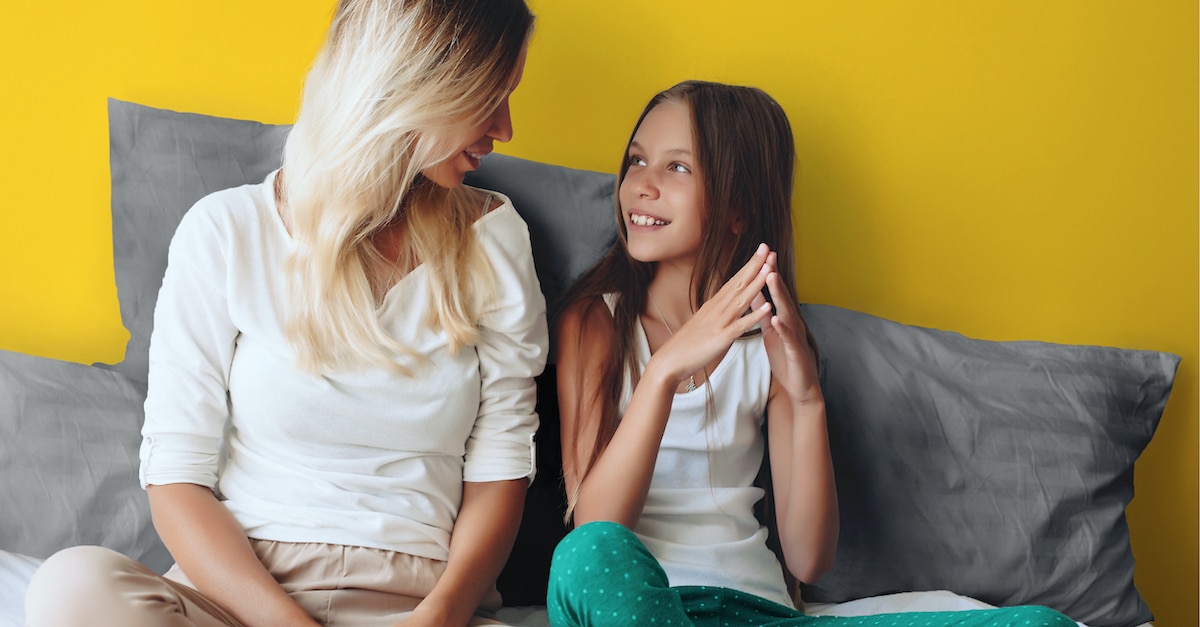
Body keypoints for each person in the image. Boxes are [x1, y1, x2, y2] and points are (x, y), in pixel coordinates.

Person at [25, 1, 544, 626]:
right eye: (489, 96)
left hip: (420, 603)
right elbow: (176, 477)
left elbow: (502, 464)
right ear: (416, 83)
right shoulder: (226, 231)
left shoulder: (493, 236)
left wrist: (439, 616)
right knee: (73, 587)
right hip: (241, 598)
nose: (505, 128)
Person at [546, 80, 1076, 627]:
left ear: (738, 209)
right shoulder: (594, 322)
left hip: (758, 611)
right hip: (636, 607)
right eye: (637, 160)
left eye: (677, 168)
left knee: (1040, 624)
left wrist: (806, 397)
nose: (641, 184)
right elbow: (595, 525)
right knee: (586, 557)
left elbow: (808, 557)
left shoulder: (768, 343)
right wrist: (662, 373)